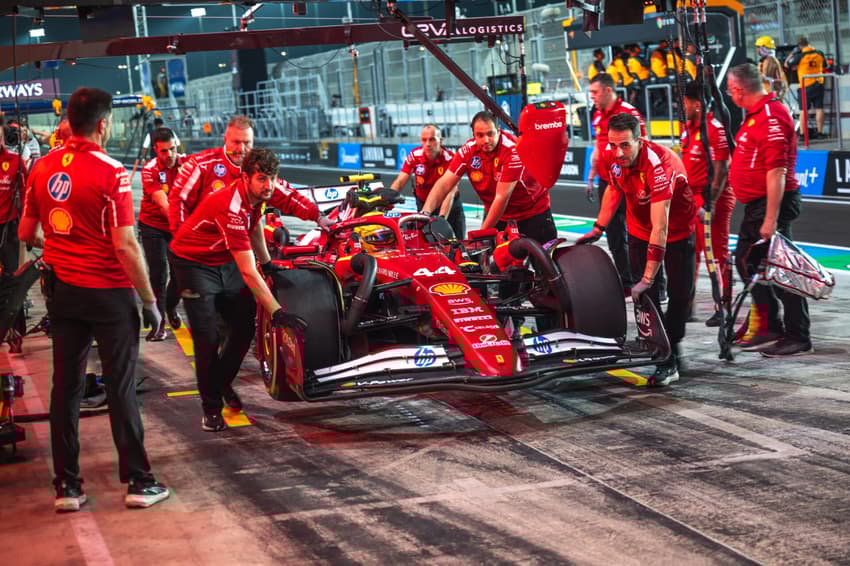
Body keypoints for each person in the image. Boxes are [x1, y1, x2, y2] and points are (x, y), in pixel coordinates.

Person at [18, 87, 169, 511]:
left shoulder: (41, 168)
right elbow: (125, 245)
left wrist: (59, 245)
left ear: (68, 119)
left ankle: (67, 487)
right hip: (110, 295)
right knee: (120, 387)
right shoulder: (112, 171)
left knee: (64, 389)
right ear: (104, 124)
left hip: (63, 293)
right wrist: (150, 300)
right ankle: (139, 483)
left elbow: (26, 234)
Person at [169, 147, 328, 432]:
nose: (269, 186)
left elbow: (270, 213)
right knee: (208, 337)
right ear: (245, 178)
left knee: (243, 327)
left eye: (272, 178)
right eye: (262, 179)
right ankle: (211, 407)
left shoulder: (262, 193)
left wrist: (321, 219)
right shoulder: (229, 206)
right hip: (192, 264)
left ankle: (220, 383)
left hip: (223, 260)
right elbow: (246, 269)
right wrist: (277, 312)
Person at [577, 112, 696, 385]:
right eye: (613, 144)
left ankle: (672, 343)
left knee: (680, 297)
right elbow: (614, 190)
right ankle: (666, 360)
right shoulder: (613, 157)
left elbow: (661, 228)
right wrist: (598, 228)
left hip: (676, 232)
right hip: (640, 231)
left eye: (625, 145)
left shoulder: (658, 167)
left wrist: (647, 276)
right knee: (649, 299)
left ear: (640, 140)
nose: (618, 152)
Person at [726, 63, 811, 356]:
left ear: (738, 91)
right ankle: (770, 326)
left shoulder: (771, 116)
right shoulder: (755, 115)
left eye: (729, 88)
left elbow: (776, 171)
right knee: (753, 264)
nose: (729, 94)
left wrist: (770, 219)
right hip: (759, 204)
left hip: (772, 202)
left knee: (778, 267)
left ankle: (795, 334)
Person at [420, 110, 556, 244]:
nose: (486, 140)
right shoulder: (468, 150)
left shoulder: (512, 150)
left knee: (543, 263)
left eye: (490, 134)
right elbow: (444, 184)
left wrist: (479, 236)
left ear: (498, 130)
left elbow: (501, 198)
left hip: (532, 214)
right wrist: (424, 214)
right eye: (480, 135)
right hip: (498, 215)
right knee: (492, 264)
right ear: (473, 134)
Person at [681, 81, 736, 327]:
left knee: (717, 255)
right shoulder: (688, 129)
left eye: (683, 103)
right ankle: (687, 305)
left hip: (714, 198)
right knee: (690, 254)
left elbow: (722, 170)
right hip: (692, 200)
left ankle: (722, 307)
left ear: (697, 104)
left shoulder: (715, 129)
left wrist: (710, 204)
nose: (681, 108)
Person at [586, 73, 643, 295]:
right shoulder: (598, 115)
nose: (592, 97)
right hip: (607, 181)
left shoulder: (629, 112)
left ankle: (655, 283)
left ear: (608, 91)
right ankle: (626, 282)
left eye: (595, 92)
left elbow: (643, 147)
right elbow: (599, 149)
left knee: (641, 233)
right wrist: (591, 177)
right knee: (614, 234)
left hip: (631, 182)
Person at [169, 115, 254, 232]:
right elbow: (178, 202)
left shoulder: (257, 170)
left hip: (239, 243)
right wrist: (186, 241)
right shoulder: (201, 165)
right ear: (225, 140)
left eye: (247, 143)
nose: (242, 149)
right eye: (236, 142)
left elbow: (260, 211)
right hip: (202, 243)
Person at [139, 127, 186, 340]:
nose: (170, 156)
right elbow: (164, 204)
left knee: (181, 275)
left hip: (178, 226)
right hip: (154, 225)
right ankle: (159, 324)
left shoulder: (187, 163)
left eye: (172, 150)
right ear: (156, 151)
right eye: (164, 152)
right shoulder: (149, 170)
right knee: (158, 273)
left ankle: (170, 307)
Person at [390, 124, 465, 239]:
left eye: (432, 139)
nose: (428, 144)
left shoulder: (451, 159)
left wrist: (442, 219)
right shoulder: (414, 156)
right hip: (424, 206)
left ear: (441, 140)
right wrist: (385, 202)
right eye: (424, 140)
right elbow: (400, 182)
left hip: (449, 207)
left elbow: (449, 193)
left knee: (457, 245)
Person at [786, 37, 827, 139]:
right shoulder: (819, 53)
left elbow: (786, 64)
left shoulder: (799, 56)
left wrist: (792, 53)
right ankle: (820, 133)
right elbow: (825, 66)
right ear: (809, 43)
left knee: (803, 110)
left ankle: (803, 134)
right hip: (819, 83)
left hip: (806, 86)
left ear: (799, 47)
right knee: (819, 108)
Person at [755, 36, 789, 103]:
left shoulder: (770, 60)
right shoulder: (767, 60)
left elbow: (765, 77)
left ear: (763, 48)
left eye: (758, 47)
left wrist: (752, 75)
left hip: (772, 92)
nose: (757, 49)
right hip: (772, 91)